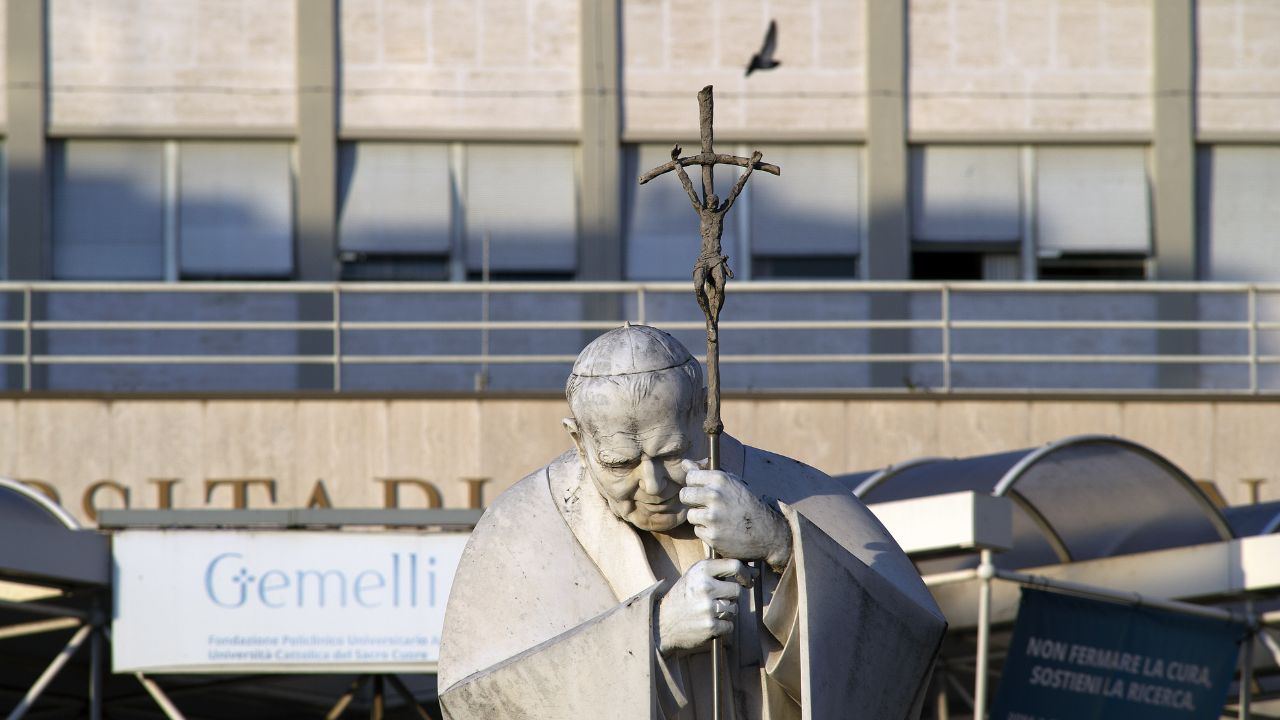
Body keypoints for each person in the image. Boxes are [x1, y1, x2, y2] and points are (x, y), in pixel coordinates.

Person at [438, 325, 945, 719]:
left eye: (675, 453)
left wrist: (786, 546)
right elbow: (473, 698)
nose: (654, 485)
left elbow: (910, 642)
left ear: (705, 413)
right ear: (578, 440)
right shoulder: (519, 528)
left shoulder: (799, 490)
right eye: (619, 464)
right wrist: (650, 635)